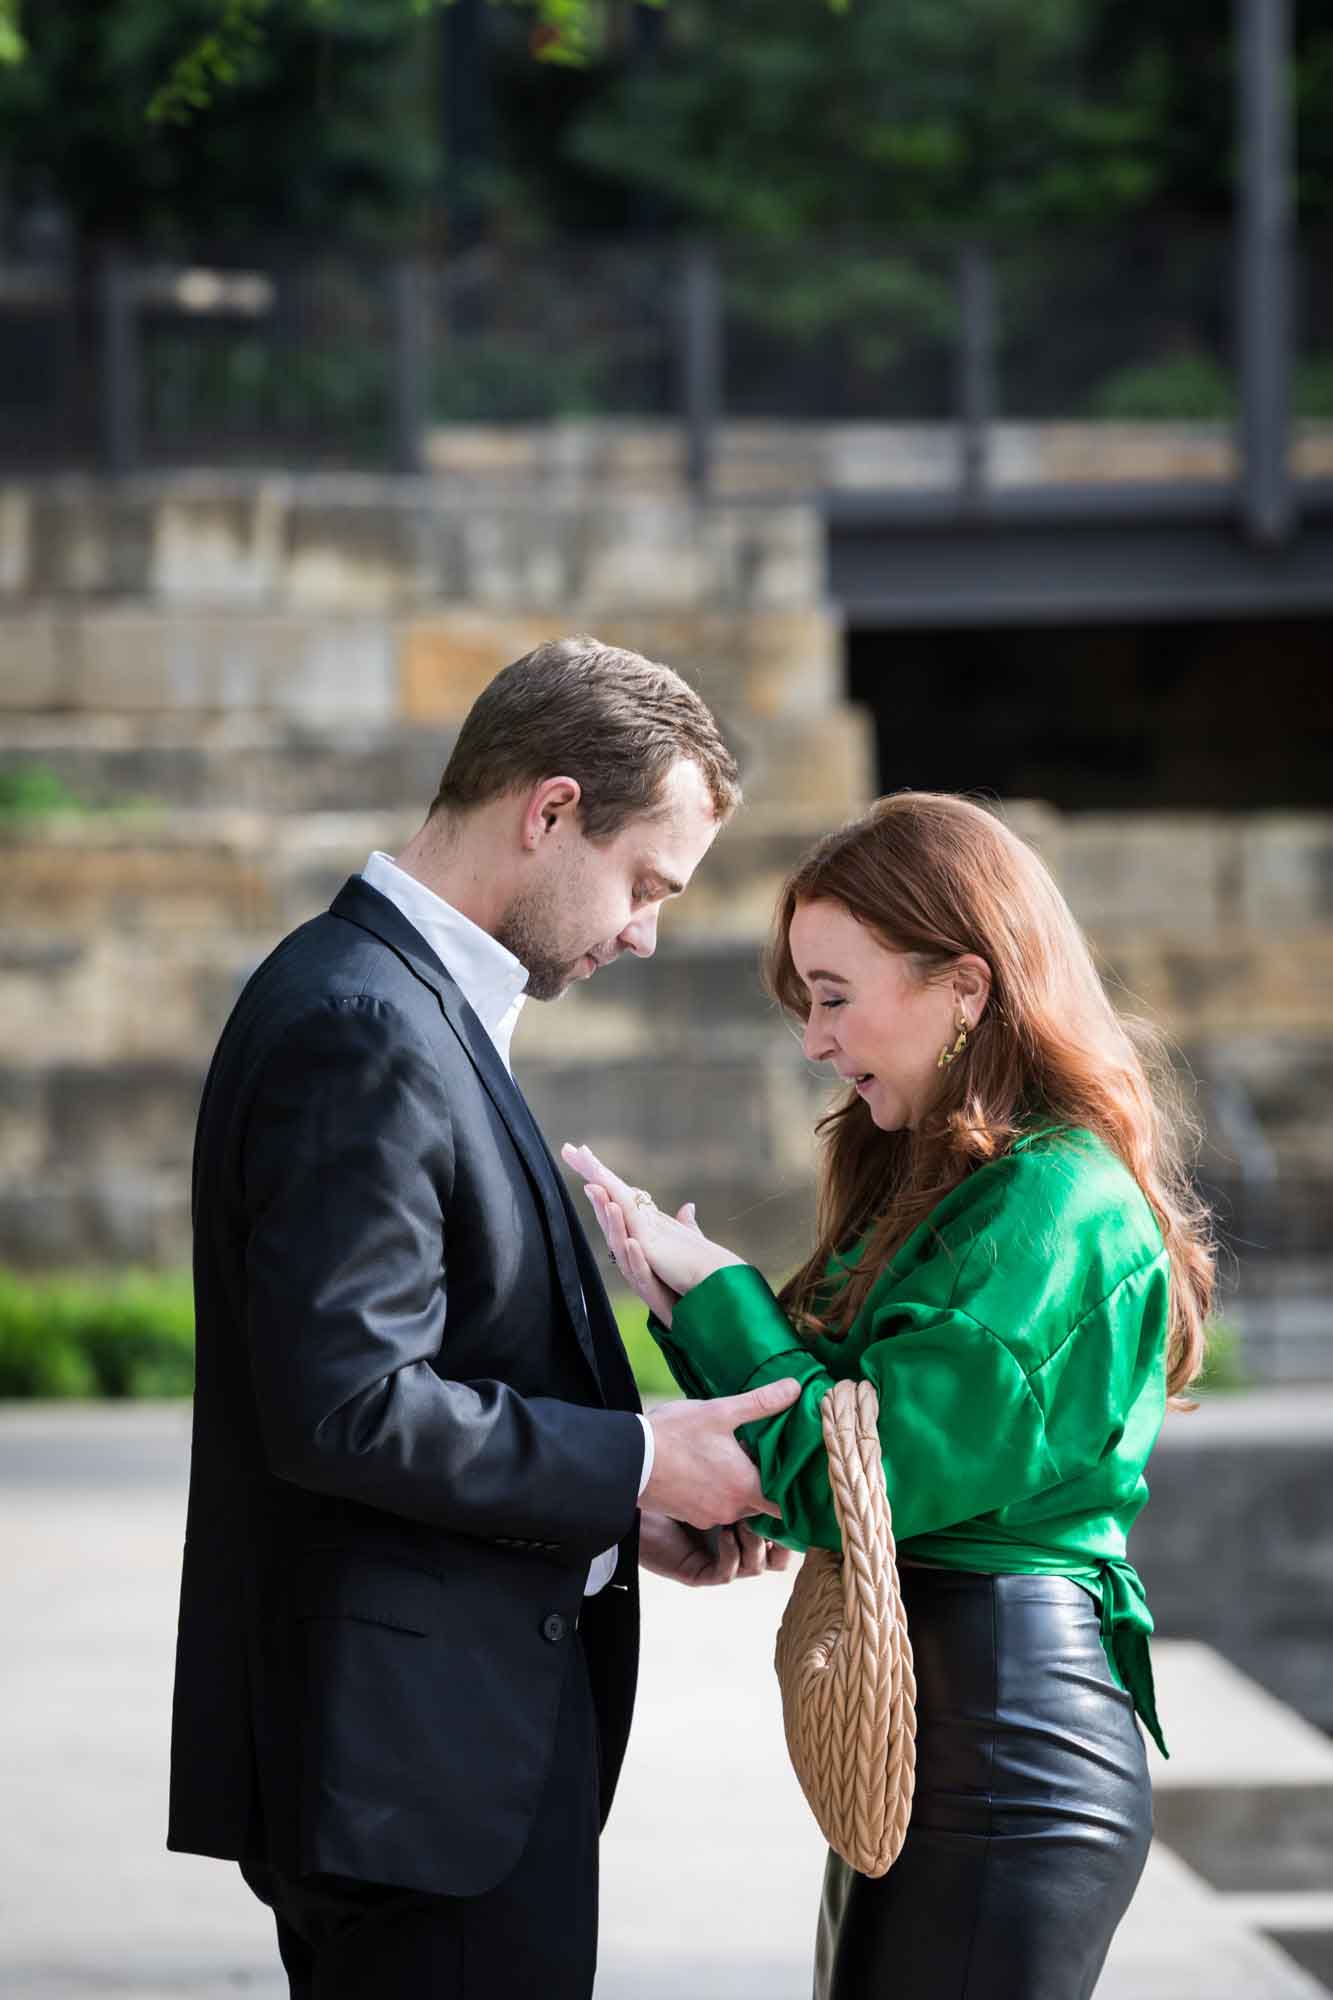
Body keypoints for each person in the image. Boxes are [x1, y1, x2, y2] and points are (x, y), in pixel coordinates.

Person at [167, 635, 801, 2000]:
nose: (644, 931)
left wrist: (611, 1516)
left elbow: (406, 1384)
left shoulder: (393, 997)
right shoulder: (365, 1023)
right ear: (551, 809)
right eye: (644, 884)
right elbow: (348, 1405)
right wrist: (641, 1454)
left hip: (430, 1766)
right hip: (418, 1784)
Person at [563, 788, 1216, 2000]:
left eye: (832, 994)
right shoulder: (978, 1185)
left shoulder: (1050, 1204)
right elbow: (832, 1431)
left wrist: (715, 1291)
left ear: (964, 987)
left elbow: (864, 1464)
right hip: (946, 1741)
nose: (813, 1038)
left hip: (1003, 1755)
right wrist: (688, 1302)